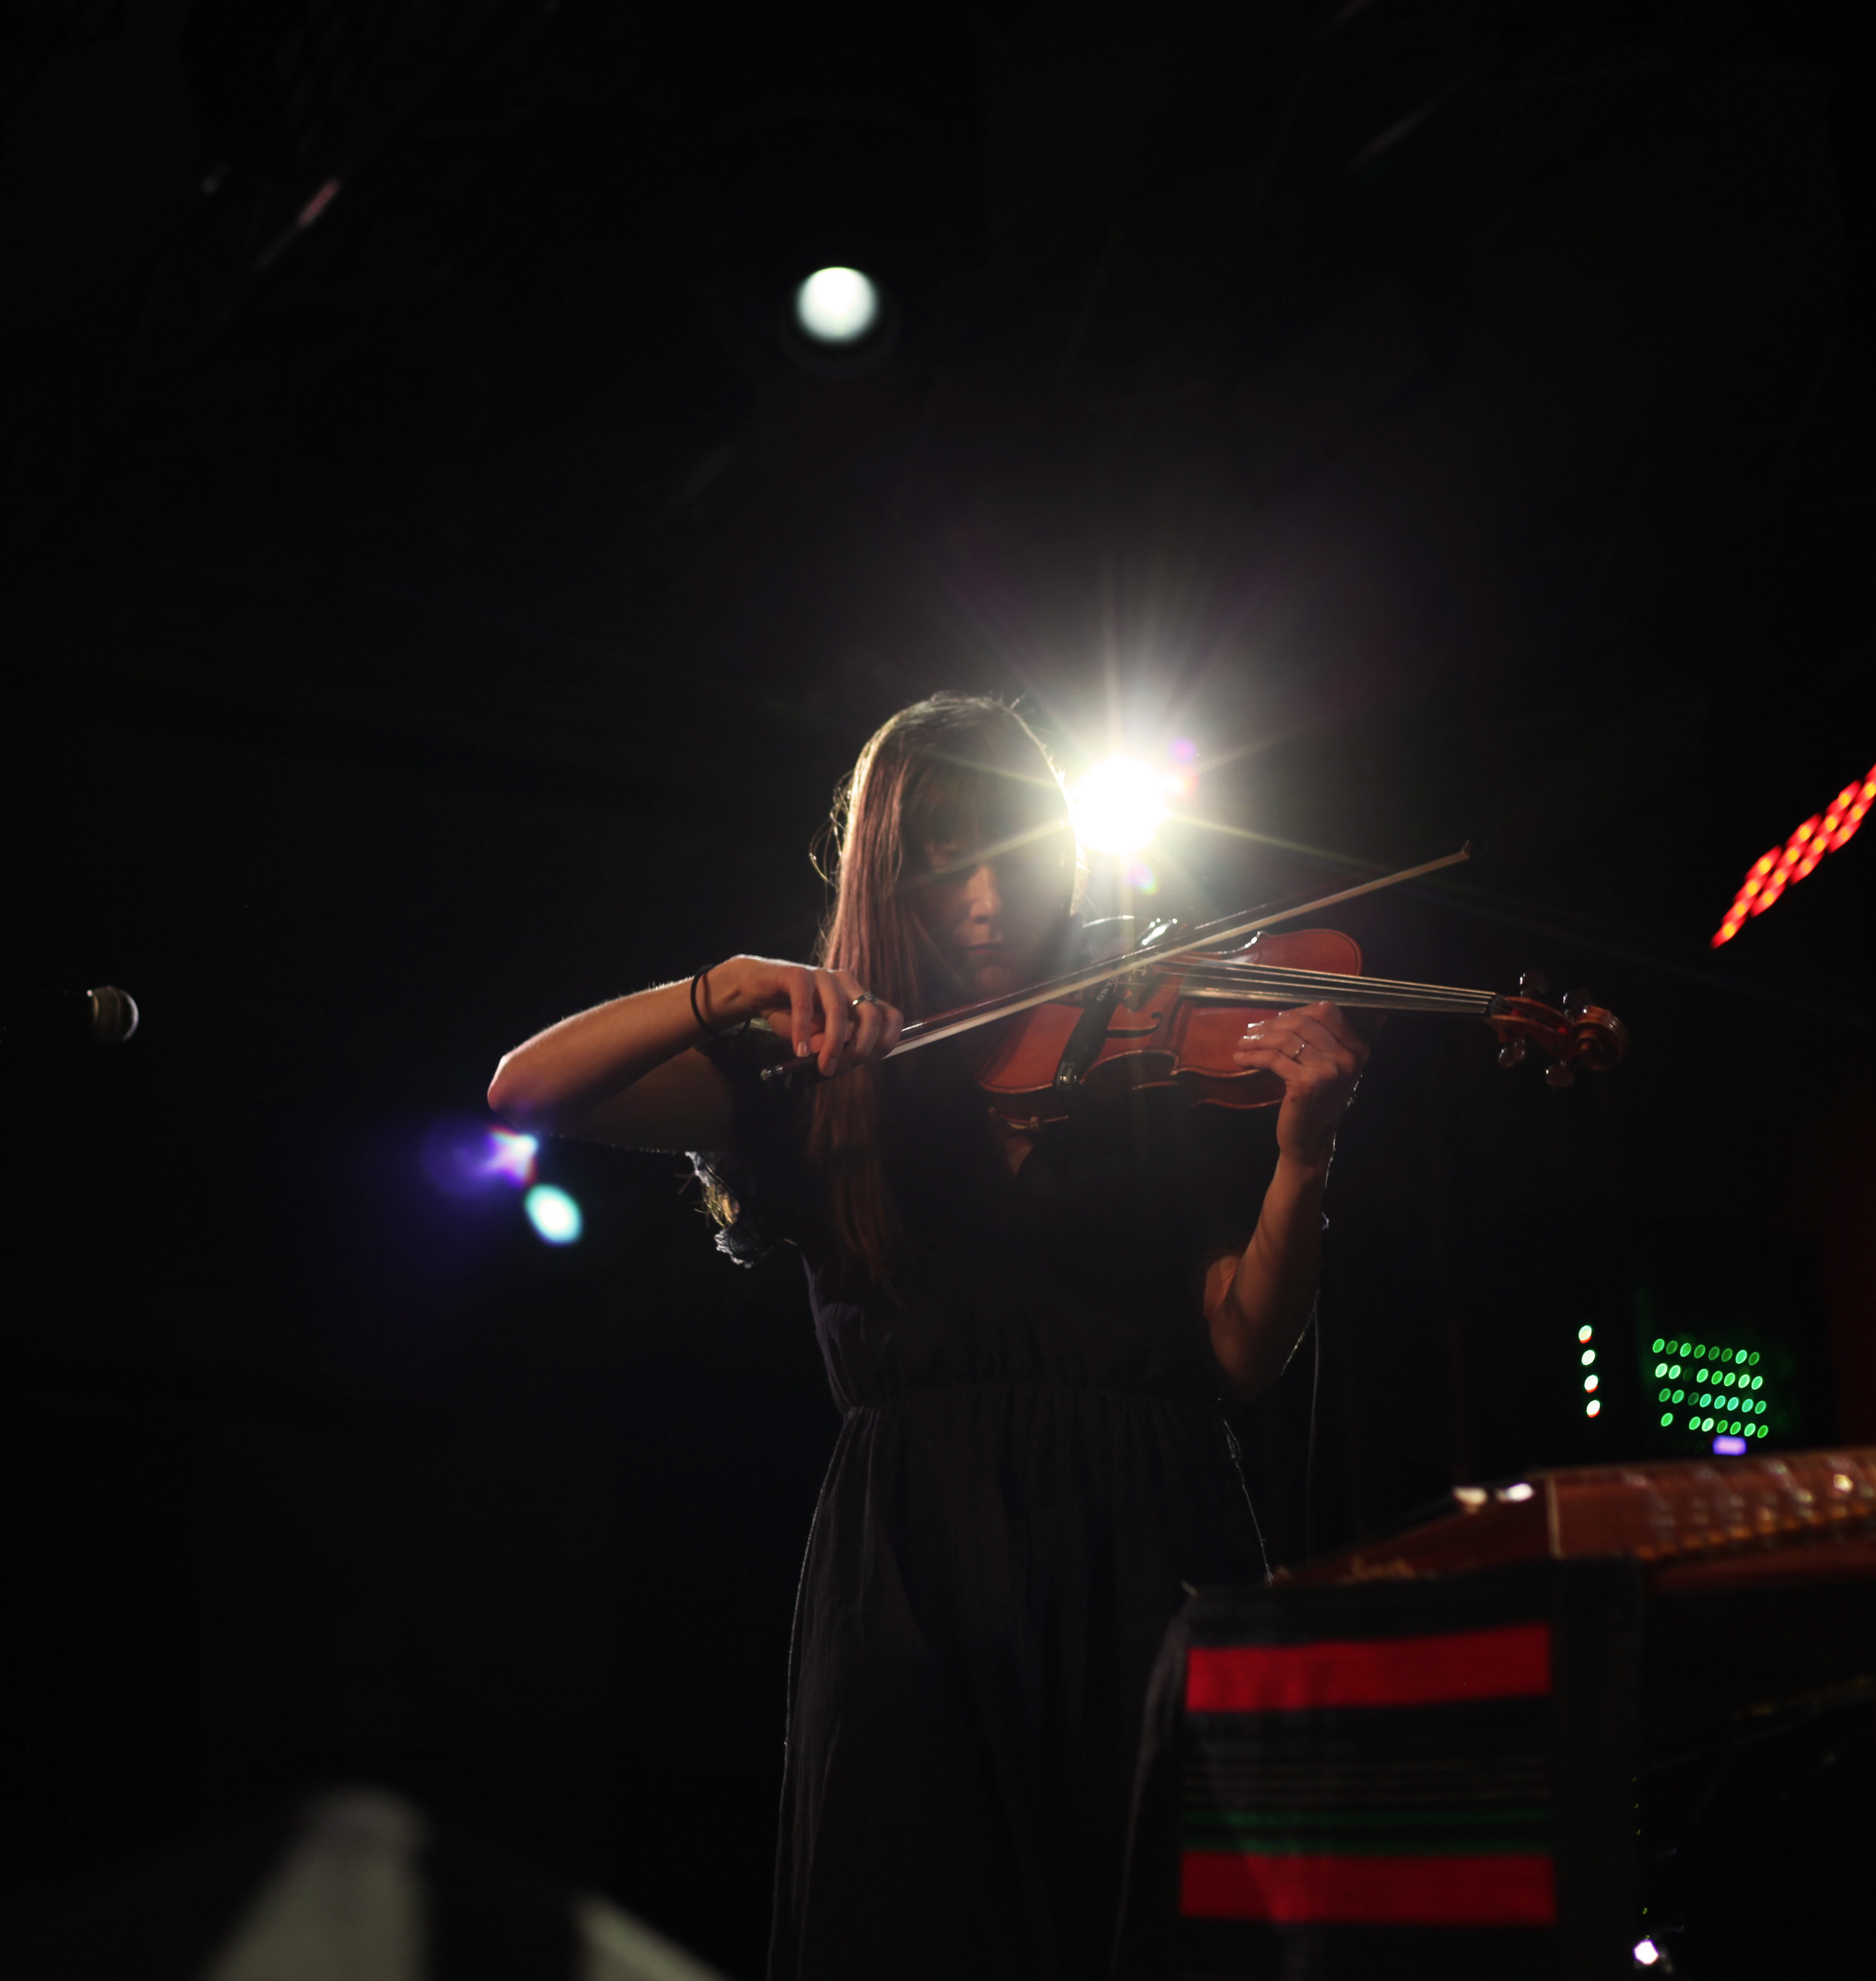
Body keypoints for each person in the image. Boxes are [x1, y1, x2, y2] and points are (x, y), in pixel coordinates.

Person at [486, 694, 1366, 1980]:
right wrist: (724, 990)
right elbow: (526, 1089)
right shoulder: (820, 1080)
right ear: (886, 879)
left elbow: (1242, 1348)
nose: (988, 901)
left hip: (1151, 1543)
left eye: (1017, 853)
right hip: (917, 1565)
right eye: (947, 861)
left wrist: (1305, 1156)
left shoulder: (1150, 1059)